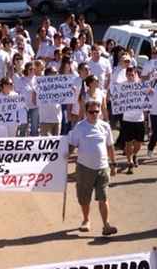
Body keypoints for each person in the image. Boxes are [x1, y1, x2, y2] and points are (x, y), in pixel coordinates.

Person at [67, 100, 118, 236]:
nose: (94, 114)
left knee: (103, 196)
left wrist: (113, 164)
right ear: (86, 112)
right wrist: (64, 157)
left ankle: (106, 225)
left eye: (97, 111)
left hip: (103, 167)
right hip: (85, 168)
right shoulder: (80, 127)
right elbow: (72, 145)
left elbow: (110, 146)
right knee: (84, 197)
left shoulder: (105, 126)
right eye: (91, 112)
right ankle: (86, 220)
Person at [121, 67, 145, 174]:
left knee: (139, 143)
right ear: (126, 75)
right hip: (127, 118)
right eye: (129, 75)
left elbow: (148, 97)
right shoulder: (122, 86)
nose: (130, 76)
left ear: (135, 75)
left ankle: (134, 154)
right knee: (128, 142)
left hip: (139, 118)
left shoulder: (141, 85)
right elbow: (116, 97)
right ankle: (129, 161)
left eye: (132, 75)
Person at [37, 67, 62, 136]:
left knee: (56, 144)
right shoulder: (40, 86)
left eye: (57, 72)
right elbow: (35, 100)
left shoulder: (61, 85)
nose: (57, 74)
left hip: (57, 119)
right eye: (54, 72)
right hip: (45, 120)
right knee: (46, 144)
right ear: (47, 74)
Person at [16, 62, 38, 137]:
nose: (32, 71)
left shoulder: (38, 79)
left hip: (35, 107)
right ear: (26, 70)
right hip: (23, 107)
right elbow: (17, 93)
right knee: (22, 127)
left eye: (34, 69)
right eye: (30, 69)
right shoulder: (21, 80)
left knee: (34, 128)